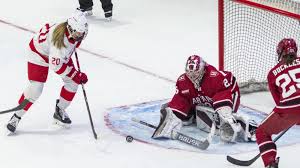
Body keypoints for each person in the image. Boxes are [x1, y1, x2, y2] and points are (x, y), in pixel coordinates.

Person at [6, 11, 89, 134]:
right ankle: (16, 116)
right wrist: (75, 74)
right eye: (77, 33)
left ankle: (59, 111)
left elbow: (63, 54)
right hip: (38, 54)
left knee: (72, 83)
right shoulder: (60, 44)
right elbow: (56, 66)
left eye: (82, 33)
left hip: (56, 54)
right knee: (36, 89)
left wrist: (74, 76)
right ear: (70, 28)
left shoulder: (69, 29)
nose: (80, 35)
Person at [152, 55, 258, 143]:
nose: (192, 76)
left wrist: (224, 112)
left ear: (203, 69)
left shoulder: (214, 77)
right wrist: (172, 114)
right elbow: (181, 99)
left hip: (228, 94)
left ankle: (249, 127)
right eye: (189, 73)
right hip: (206, 100)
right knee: (178, 113)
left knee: (224, 119)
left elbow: (225, 90)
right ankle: (191, 115)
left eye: (196, 73)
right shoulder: (183, 81)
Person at [256, 38, 300, 168]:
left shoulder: (272, 74)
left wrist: (293, 117)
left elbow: (278, 101)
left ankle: (270, 163)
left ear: (280, 53)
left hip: (289, 106)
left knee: (262, 133)